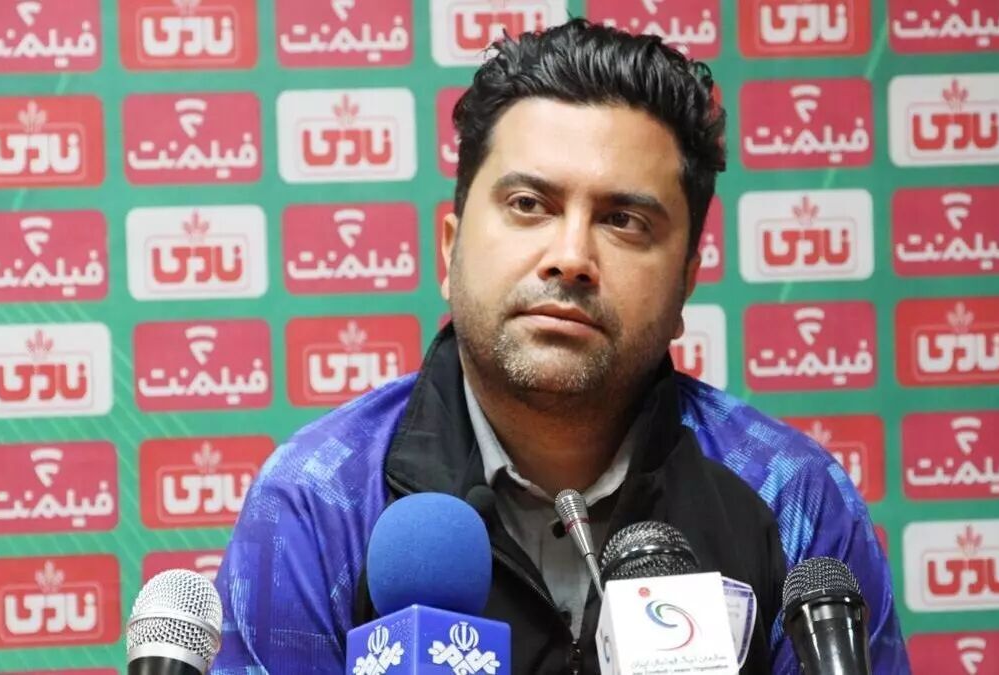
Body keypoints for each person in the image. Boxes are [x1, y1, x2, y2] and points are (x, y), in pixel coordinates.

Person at [212, 18, 908, 674]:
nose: (571, 257)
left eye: (624, 220)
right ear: (450, 250)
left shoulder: (790, 496)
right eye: (529, 205)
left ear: (686, 283)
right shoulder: (318, 500)